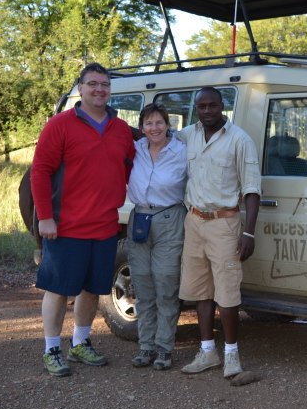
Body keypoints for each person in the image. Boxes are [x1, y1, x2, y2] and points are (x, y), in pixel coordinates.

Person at [30, 62, 135, 377]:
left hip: (104, 226)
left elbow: (131, 169)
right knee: (59, 289)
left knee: (91, 289)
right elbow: (40, 172)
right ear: (80, 88)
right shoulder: (60, 125)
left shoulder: (120, 130)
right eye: (93, 84)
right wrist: (45, 218)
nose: (99, 89)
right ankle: (51, 349)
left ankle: (80, 343)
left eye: (105, 84)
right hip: (65, 227)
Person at [178, 86, 261, 378]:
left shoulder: (239, 140)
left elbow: (252, 189)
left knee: (227, 293)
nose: (207, 111)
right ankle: (207, 352)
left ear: (222, 105)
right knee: (201, 291)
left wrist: (248, 233)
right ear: (196, 109)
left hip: (225, 223)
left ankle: (231, 356)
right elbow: (153, 135)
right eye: (202, 107)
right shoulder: (187, 135)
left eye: (212, 105)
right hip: (194, 221)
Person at [126, 103, 188, 370]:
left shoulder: (181, 151)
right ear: (141, 128)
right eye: (149, 123)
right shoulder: (136, 149)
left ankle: (164, 348)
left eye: (159, 122)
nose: (154, 128)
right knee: (142, 284)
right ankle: (145, 346)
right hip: (139, 218)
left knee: (165, 283)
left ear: (168, 125)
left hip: (169, 218)